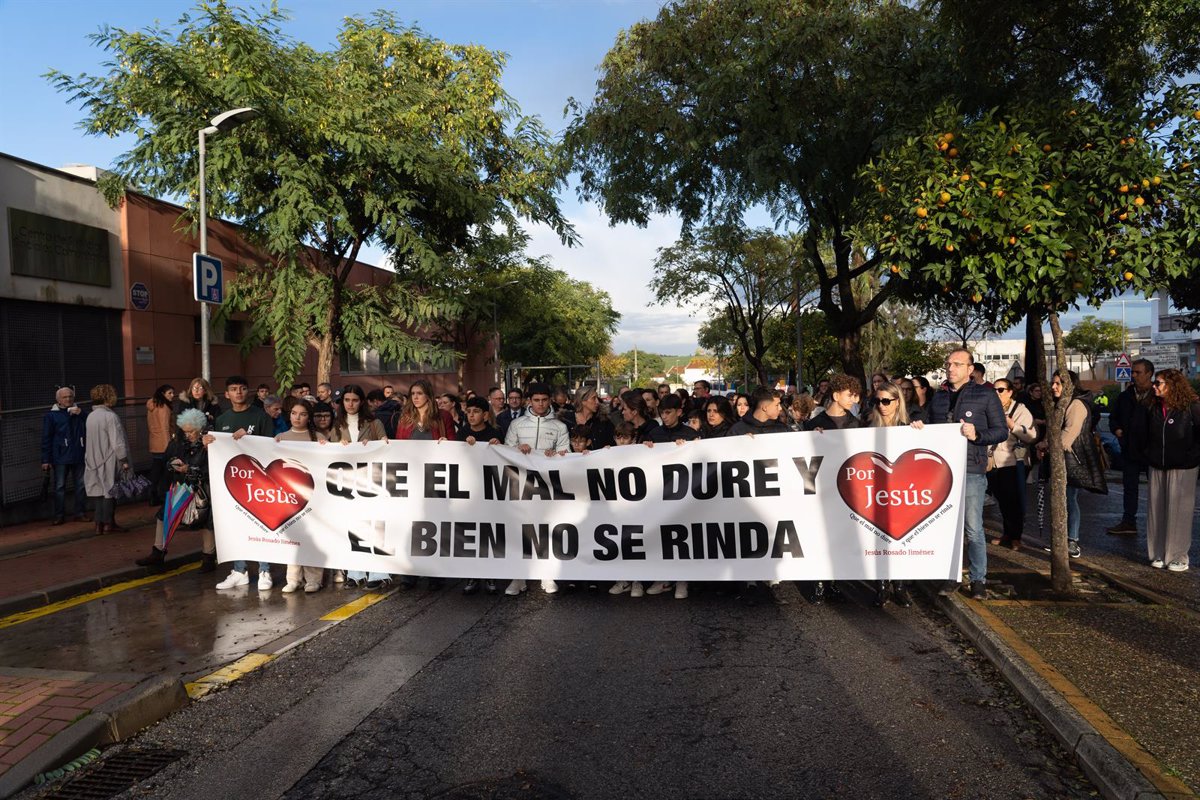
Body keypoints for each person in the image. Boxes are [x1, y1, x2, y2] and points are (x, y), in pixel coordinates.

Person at [930, 349, 1008, 600]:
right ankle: (951, 576)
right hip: (942, 471)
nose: (950, 368)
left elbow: (1001, 431)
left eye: (957, 364)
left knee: (973, 528)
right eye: (948, 363)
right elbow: (930, 429)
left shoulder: (985, 394)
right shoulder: (939, 397)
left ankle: (978, 580)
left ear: (970, 369)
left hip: (972, 470)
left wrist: (978, 436)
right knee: (946, 527)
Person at [503, 383, 569, 596]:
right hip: (522, 485)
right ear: (529, 401)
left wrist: (556, 454)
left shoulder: (560, 426)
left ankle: (546, 574)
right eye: (536, 400)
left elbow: (566, 455)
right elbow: (506, 452)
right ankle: (518, 577)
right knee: (521, 529)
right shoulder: (517, 424)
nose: (540, 404)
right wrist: (518, 449)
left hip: (549, 487)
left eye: (544, 400)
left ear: (550, 400)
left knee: (547, 528)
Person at [212, 375, 278, 591]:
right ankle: (239, 571)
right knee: (236, 526)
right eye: (233, 389)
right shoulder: (221, 420)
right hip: (233, 483)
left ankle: (264, 570)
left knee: (260, 525)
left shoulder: (261, 417)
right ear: (227, 394)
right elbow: (218, 450)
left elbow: (270, 447)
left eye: (242, 388)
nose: (238, 392)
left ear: (248, 391)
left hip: (258, 482)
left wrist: (249, 439)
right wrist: (208, 443)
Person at [135, 408, 218, 573]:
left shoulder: (210, 444)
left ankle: (208, 557)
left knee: (207, 521)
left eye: (192, 431)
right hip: (181, 487)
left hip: (202, 489)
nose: (188, 434)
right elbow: (167, 460)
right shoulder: (177, 442)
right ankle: (158, 552)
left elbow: (211, 469)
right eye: (185, 431)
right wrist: (172, 464)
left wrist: (188, 469)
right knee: (163, 515)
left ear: (200, 428)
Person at [864, 381, 920, 608]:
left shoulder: (909, 426)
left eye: (886, 401)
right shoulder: (867, 426)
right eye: (877, 401)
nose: (882, 406)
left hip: (902, 493)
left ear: (898, 401)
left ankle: (900, 587)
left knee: (902, 539)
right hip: (875, 492)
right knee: (878, 538)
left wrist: (920, 432)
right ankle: (882, 586)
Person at [329, 384, 391, 589]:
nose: (350, 404)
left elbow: (386, 446)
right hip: (347, 483)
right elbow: (329, 454)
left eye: (355, 400)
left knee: (374, 525)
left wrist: (379, 443)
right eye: (347, 400)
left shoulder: (374, 423)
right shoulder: (337, 425)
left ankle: (378, 572)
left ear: (361, 402)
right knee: (352, 526)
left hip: (371, 481)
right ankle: (355, 572)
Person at [1038, 371, 1105, 560]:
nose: (1053, 387)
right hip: (1062, 457)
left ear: (1070, 385)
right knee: (1063, 498)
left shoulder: (1076, 404)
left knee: (1069, 498)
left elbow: (1069, 433)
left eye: (1058, 383)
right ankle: (1063, 540)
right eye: (1053, 383)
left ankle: (1072, 540)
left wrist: (1046, 445)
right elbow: (1055, 429)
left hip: (1072, 458)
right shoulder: (1062, 404)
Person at [1138, 369, 1199, 572]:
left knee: (1179, 511)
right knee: (1156, 509)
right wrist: (1148, 454)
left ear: (1172, 385)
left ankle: (1179, 555)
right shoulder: (1152, 407)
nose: (1154, 386)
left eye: (1159, 383)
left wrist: (1191, 457)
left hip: (1183, 467)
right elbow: (1144, 434)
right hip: (1157, 464)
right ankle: (1158, 553)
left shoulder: (1191, 407)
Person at [276, 398, 327, 593]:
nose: (298, 417)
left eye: (303, 414)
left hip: (313, 496)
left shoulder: (319, 437)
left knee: (312, 536)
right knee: (293, 537)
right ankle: (293, 578)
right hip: (289, 495)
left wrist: (326, 446)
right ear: (289, 415)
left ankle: (314, 578)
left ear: (309, 417)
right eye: (294, 413)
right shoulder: (280, 437)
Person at [987, 379, 1036, 551]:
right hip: (993, 462)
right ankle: (1007, 533)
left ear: (1010, 392)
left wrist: (1013, 425)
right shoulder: (990, 408)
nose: (996, 393)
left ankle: (1016, 537)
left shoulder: (1020, 410)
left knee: (1014, 501)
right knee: (1002, 501)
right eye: (994, 390)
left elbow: (1031, 435)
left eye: (1000, 390)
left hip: (1013, 461)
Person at [1107, 358, 1154, 535]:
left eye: (1138, 372)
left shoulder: (1156, 395)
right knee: (1130, 487)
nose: (1133, 375)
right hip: (1130, 449)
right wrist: (1117, 429)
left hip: (1152, 450)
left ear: (1149, 374)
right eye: (1133, 372)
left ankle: (1157, 523)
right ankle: (1128, 522)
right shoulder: (1125, 396)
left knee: (1156, 489)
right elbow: (1114, 417)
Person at [83, 384, 129, 535]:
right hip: (109, 458)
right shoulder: (110, 416)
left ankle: (98, 524)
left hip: (93, 459)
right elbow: (118, 441)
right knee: (111, 491)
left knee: (99, 492)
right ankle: (109, 523)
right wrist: (124, 460)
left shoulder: (91, 416)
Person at [41, 386, 88, 524]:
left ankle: (79, 513)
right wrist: (46, 459)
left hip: (78, 454)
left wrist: (81, 414)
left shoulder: (80, 413)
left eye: (70, 396)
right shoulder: (51, 416)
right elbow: (46, 438)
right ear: (58, 400)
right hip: (60, 456)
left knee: (80, 485)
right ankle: (59, 515)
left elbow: (90, 425)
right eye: (65, 397)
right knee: (60, 486)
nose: (68, 399)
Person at [145, 384, 177, 507]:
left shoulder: (152, 405)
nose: (172, 396)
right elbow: (165, 428)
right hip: (164, 443)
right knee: (165, 472)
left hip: (154, 441)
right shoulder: (164, 407)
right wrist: (169, 445)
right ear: (163, 394)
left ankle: (152, 495)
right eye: (170, 393)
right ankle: (162, 495)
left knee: (156, 470)